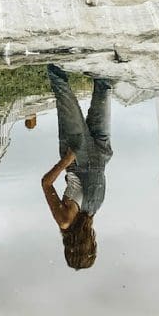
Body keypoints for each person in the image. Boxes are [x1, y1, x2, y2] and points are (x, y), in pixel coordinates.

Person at [41, 64, 113, 270]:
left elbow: (46, 184)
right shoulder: (89, 217)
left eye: (89, 249)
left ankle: (53, 51)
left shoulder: (65, 221)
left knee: (63, 92)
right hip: (101, 151)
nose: (92, 244)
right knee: (104, 86)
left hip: (77, 154)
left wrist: (66, 161)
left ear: (79, 247)